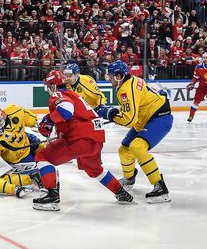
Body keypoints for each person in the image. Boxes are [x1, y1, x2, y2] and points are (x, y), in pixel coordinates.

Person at [34, 70, 134, 210]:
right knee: (94, 170)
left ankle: (52, 198)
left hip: (79, 139)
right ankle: (121, 193)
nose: (49, 89)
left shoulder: (59, 94)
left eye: (50, 85)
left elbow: (66, 111)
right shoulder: (74, 95)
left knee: (43, 156)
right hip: (95, 139)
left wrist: (49, 120)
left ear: (53, 85)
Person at [96, 60, 172, 203]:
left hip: (159, 118)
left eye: (111, 76)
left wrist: (110, 114)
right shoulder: (130, 81)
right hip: (146, 118)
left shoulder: (125, 89)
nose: (108, 78)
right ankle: (129, 179)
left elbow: (128, 120)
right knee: (124, 150)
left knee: (137, 146)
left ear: (119, 76)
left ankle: (160, 187)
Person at [0, 105, 58, 210]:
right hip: (17, 159)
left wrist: (47, 129)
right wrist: (3, 169)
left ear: (4, 116)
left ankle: (54, 151)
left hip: (26, 142)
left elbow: (35, 122)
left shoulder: (16, 111)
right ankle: (34, 177)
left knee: (43, 149)